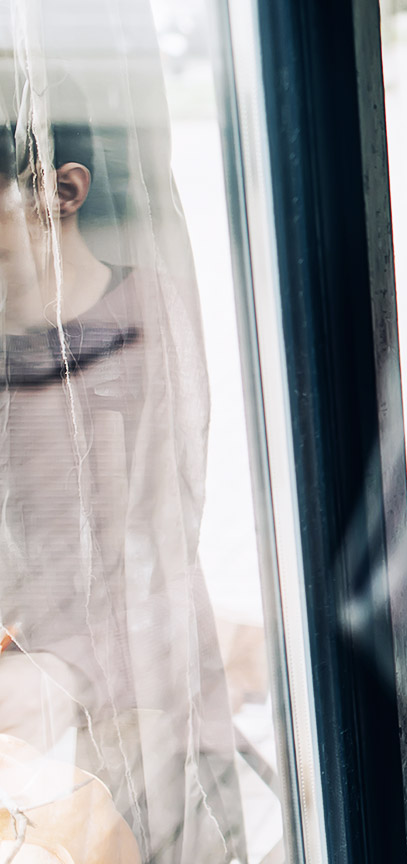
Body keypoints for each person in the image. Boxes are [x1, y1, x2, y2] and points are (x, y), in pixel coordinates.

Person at [0, 102, 245, 861]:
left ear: (60, 194)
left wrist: (74, 668)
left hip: (138, 659)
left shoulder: (146, 315)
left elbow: (162, 521)